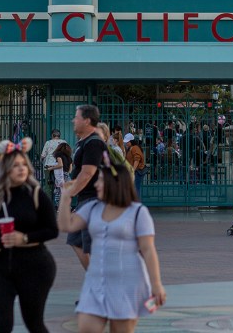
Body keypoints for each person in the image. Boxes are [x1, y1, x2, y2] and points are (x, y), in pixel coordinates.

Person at [57, 143, 166, 333]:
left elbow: (148, 250)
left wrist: (156, 284)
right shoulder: (92, 207)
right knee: (87, 327)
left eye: (100, 181)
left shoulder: (138, 212)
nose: (96, 184)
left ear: (114, 184)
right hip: (96, 280)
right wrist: (65, 198)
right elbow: (66, 225)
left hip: (127, 281)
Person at [0, 140, 59, 333]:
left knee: (34, 323)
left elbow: (52, 230)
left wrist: (25, 238)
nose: (21, 169)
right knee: (2, 326)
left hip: (35, 266)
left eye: (24, 164)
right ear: (5, 169)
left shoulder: (36, 194)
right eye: (15, 165)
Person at [65, 105, 106, 270]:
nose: (73, 120)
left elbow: (88, 173)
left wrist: (69, 194)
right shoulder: (85, 142)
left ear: (87, 121)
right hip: (86, 200)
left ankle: (100, 288)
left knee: (92, 246)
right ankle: (95, 283)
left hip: (94, 200)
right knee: (76, 240)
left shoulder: (94, 142)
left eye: (77, 117)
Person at [48, 143, 73, 210]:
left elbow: (60, 165)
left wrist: (51, 168)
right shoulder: (69, 157)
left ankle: (60, 208)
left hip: (60, 176)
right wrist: (66, 174)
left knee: (58, 192)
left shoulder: (58, 154)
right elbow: (70, 169)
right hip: (67, 176)